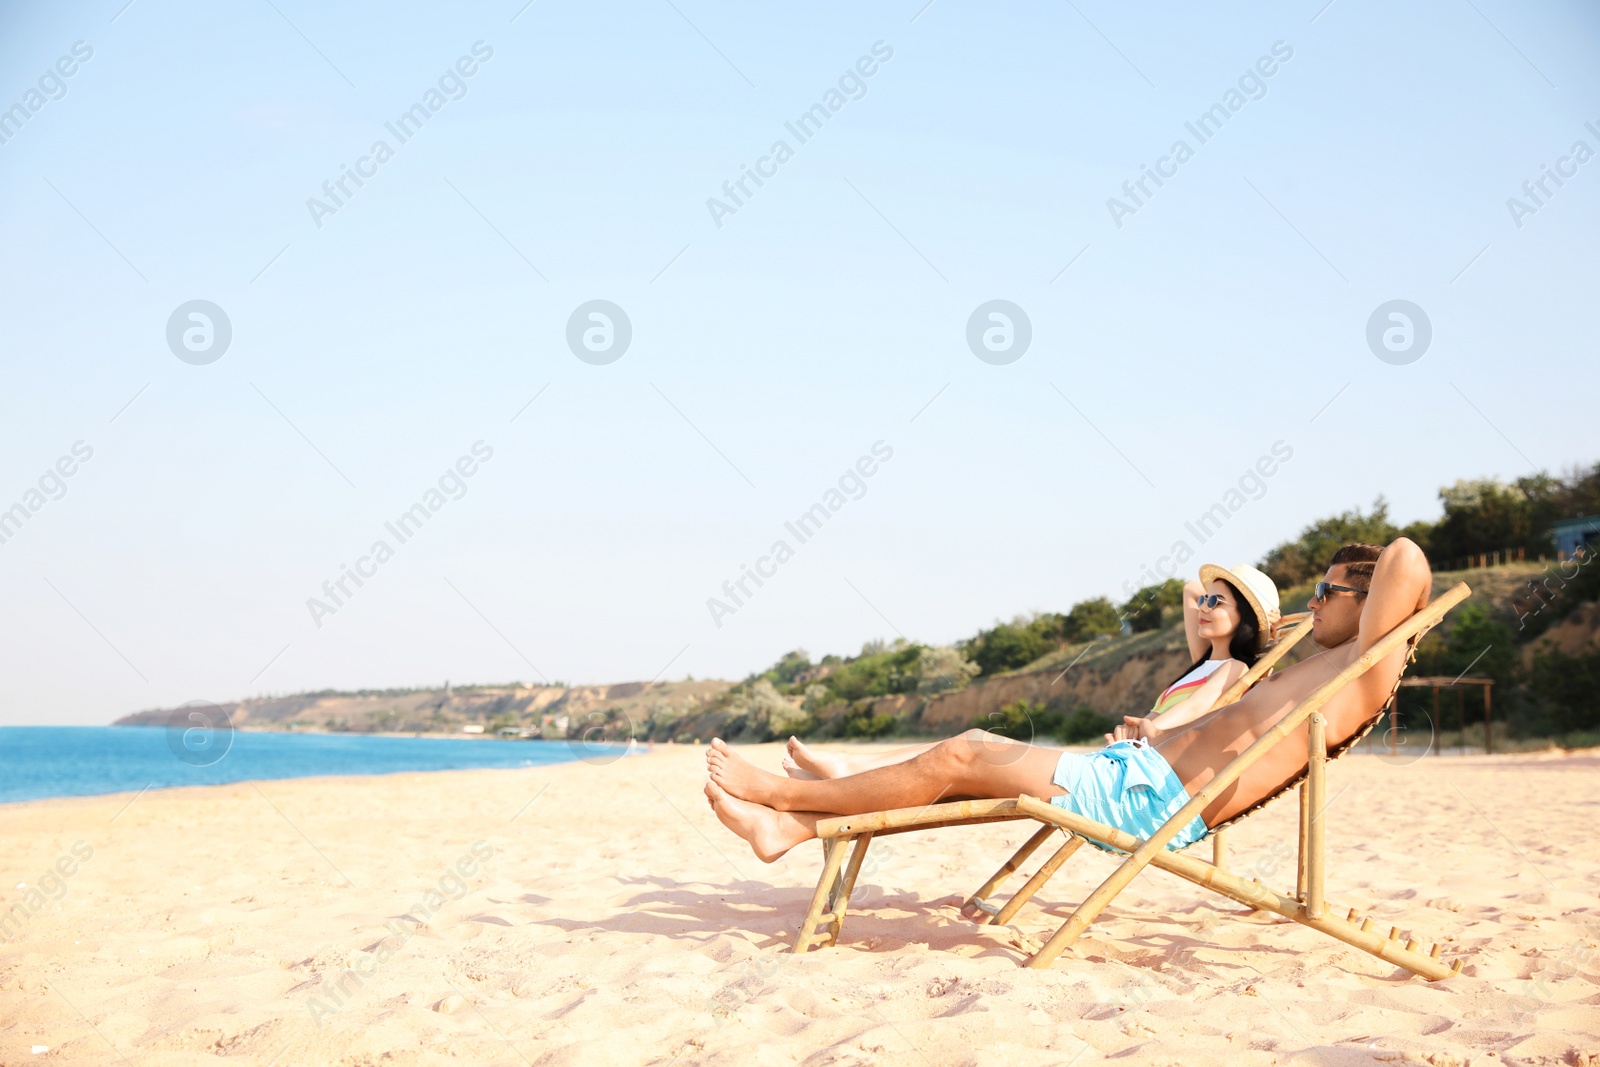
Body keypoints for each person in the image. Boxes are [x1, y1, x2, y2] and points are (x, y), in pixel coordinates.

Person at [705, 540, 1429, 863]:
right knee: (965, 757)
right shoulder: (1326, 665)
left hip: (1147, 799)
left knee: (965, 751)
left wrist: (1368, 604)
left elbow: (1404, 557)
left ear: (1370, 605)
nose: (1315, 599)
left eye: (1328, 590)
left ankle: (780, 800)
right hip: (1136, 778)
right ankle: (795, 826)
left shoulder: (1367, 667)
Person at [779, 563, 1281, 779]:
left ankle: (848, 769)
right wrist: (1226, 594)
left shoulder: (1233, 667)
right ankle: (847, 768)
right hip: (1125, 756)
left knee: (976, 741)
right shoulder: (1203, 659)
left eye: (1221, 601)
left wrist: (1149, 728)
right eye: (1209, 599)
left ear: (1244, 619)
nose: (1205, 604)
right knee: (973, 739)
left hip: (1134, 766)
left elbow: (1190, 713)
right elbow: (1190, 589)